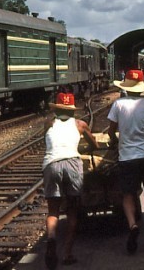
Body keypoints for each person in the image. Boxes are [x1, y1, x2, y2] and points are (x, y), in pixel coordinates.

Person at [107, 69, 144, 254]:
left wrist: (115, 141)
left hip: (127, 157)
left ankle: (132, 225)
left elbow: (111, 130)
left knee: (128, 195)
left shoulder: (118, 104)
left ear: (126, 86)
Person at [42, 92, 97, 269]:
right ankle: (67, 253)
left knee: (53, 211)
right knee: (73, 211)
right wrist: (88, 145)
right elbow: (94, 144)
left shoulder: (48, 123)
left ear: (57, 109)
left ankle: (51, 239)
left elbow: (48, 143)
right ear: (73, 110)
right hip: (72, 163)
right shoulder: (80, 124)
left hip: (51, 164)